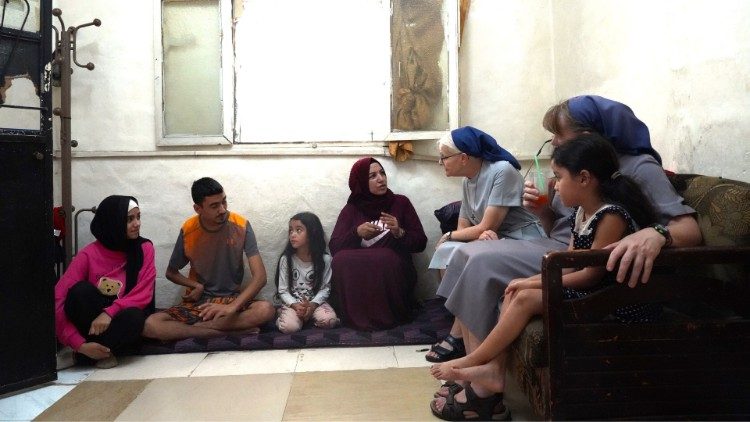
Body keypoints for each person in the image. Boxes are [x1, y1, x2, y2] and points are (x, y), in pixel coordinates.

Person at [429, 95, 701, 404]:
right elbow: (565, 227)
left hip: (576, 260)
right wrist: (543, 209)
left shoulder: (636, 168)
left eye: (559, 135)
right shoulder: (579, 170)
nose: (554, 142)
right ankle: (478, 363)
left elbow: (688, 228)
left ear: (587, 138)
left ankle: (482, 383)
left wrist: (657, 234)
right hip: (561, 247)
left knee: (476, 259)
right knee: (466, 253)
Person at [426, 126, 545, 363]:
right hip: (492, 239)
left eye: (444, 157)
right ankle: (459, 336)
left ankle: (456, 337)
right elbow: (466, 228)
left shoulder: (502, 171)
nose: (441, 163)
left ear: (463, 157)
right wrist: (456, 238)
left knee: (458, 249)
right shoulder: (467, 181)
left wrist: (451, 235)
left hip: (522, 238)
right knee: (446, 252)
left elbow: (486, 226)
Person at [142, 177, 275, 341]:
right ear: (198, 208)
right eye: (214, 206)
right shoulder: (189, 229)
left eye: (224, 202)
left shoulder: (241, 225)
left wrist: (232, 307)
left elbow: (260, 277)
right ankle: (227, 332)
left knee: (266, 310)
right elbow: (171, 273)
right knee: (151, 324)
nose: (222, 209)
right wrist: (195, 285)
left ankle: (194, 330)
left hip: (230, 301)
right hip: (198, 304)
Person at [55, 195, 156, 369]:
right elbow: (59, 298)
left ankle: (81, 356)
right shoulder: (88, 254)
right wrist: (78, 342)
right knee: (80, 292)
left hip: (119, 317)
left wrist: (109, 313)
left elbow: (143, 293)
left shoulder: (144, 248)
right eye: (129, 219)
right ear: (113, 222)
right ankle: (94, 352)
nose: (137, 224)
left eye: (138, 217)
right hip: (90, 324)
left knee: (135, 316)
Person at [329, 157, 428, 331]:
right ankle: (355, 316)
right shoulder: (351, 209)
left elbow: (420, 243)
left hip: (394, 275)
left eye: (382, 173)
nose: (381, 179)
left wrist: (399, 232)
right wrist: (356, 233)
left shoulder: (400, 203)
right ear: (360, 182)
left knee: (386, 256)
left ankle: (393, 314)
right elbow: (334, 247)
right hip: (361, 277)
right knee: (341, 259)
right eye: (372, 176)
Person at [274, 212, 339, 333]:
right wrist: (295, 305)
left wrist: (312, 305)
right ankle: (285, 316)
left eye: (298, 230)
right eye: (290, 230)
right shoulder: (286, 260)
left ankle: (306, 318)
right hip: (293, 304)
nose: (292, 234)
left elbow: (325, 289)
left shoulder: (325, 260)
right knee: (289, 328)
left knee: (330, 321)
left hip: (316, 303)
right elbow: (283, 290)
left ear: (312, 233)